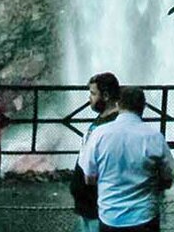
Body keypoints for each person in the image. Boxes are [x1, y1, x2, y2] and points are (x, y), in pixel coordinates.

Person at [79, 87, 174, 232]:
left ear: (118, 104)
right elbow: (169, 174)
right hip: (144, 216)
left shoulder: (99, 134)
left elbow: (89, 178)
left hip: (110, 216)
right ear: (144, 106)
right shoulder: (154, 136)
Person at [71, 72, 121, 232]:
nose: (89, 98)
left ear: (105, 95)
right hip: (87, 205)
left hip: (97, 207)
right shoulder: (103, 119)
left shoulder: (113, 125)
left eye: (93, 93)